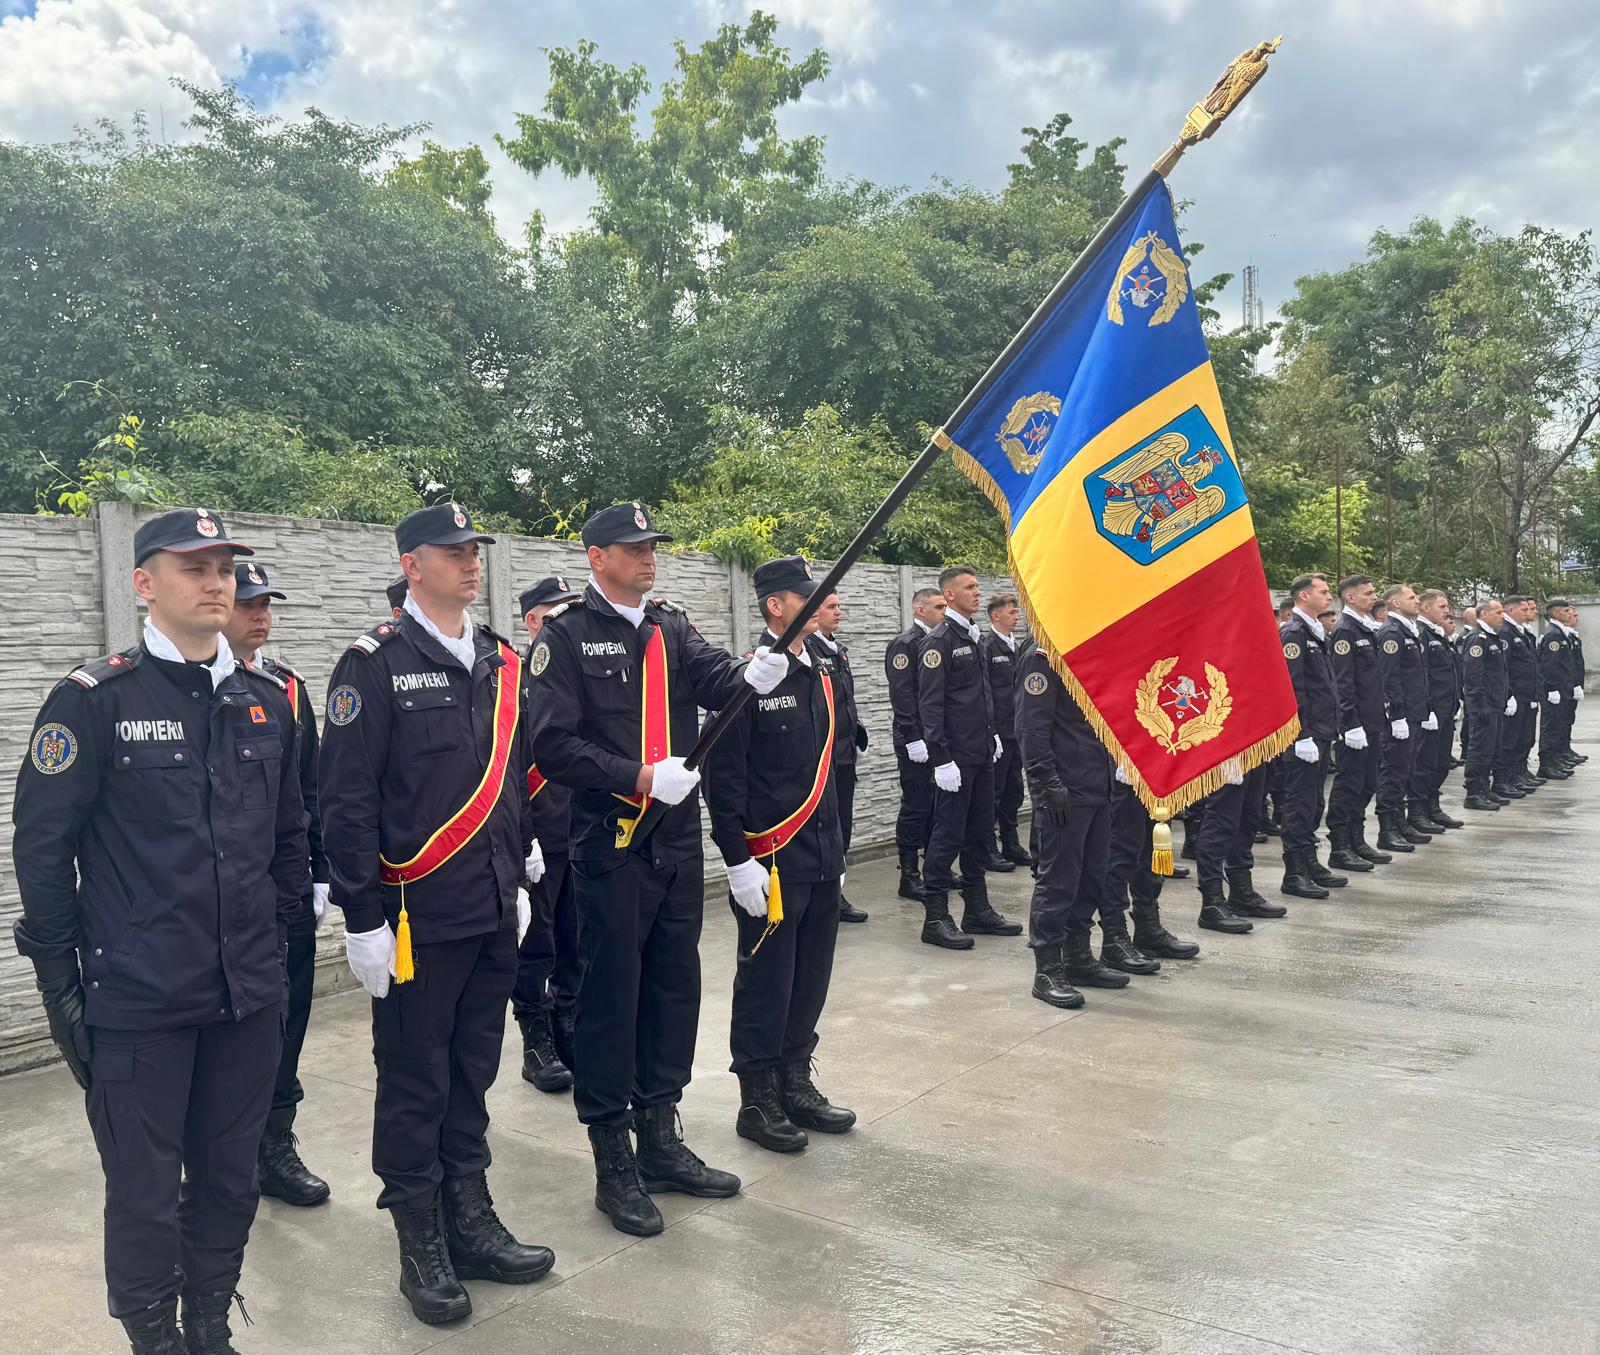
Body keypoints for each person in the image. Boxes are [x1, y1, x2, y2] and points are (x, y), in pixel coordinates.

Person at [12, 508, 307, 1355]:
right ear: (144, 582)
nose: (218, 583)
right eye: (195, 568)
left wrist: (276, 947)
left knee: (229, 1177)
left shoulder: (265, 702)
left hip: (246, 997)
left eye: (225, 567)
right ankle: (155, 1338)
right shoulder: (93, 700)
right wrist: (62, 987)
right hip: (139, 1002)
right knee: (142, 1194)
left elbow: (290, 838)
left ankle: (208, 1323)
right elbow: (43, 851)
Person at [319, 502, 555, 1326]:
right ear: (412, 565)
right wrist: (361, 916)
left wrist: (517, 871)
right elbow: (346, 800)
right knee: (415, 1080)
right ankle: (419, 1239)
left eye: (473, 549)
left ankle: (470, 1217)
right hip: (415, 919)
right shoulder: (373, 664)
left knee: (472, 1071)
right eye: (452, 551)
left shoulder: (499, 659)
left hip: (490, 907)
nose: (470, 561)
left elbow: (512, 775)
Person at [528, 502, 788, 1238]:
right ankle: (613, 1159)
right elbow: (551, 745)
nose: (649, 557)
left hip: (674, 842)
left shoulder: (669, 625)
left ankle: (661, 1137)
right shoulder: (564, 637)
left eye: (652, 546)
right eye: (634, 547)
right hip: (611, 842)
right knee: (613, 999)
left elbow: (715, 678)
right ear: (596, 557)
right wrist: (638, 776)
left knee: (674, 990)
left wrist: (753, 671)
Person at [707, 556, 855, 1153]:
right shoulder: (751, 678)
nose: (818, 604)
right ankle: (757, 1097)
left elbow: (834, 768)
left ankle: (795, 1078)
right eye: (805, 596)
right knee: (767, 981)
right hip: (770, 859)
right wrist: (735, 860)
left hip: (820, 854)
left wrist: (836, 851)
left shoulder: (823, 669)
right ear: (776, 605)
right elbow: (725, 780)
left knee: (811, 976)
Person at [222, 560, 333, 1209]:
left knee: (286, 1021)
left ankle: (274, 1143)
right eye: (249, 603)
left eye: (267, 604)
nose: (261, 615)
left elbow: (310, 790)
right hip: (217, 899)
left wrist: (319, 874)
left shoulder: (288, 688)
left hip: (283, 890)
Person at [1017, 648, 1158, 1005]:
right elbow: (1031, 728)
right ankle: (1047, 968)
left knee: (1091, 878)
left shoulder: (1083, 652)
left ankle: (1078, 957)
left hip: (1099, 786)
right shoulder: (1041, 658)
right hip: (1065, 791)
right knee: (1059, 880)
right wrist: (1047, 783)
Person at [917, 565, 1020, 948]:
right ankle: (935, 917)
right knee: (947, 836)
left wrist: (992, 734)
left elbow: (981, 694)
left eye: (977, 586)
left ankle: (977, 909)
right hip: (955, 760)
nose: (977, 592)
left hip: (981, 753)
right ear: (949, 595)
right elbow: (931, 705)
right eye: (969, 587)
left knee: (979, 834)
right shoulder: (940, 641)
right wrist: (940, 758)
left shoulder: (974, 636)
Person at [512, 576, 584, 1093]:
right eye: (557, 612)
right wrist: (523, 838)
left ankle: (569, 1027)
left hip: (580, 829)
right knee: (535, 944)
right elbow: (506, 768)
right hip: (536, 833)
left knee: (576, 941)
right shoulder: (510, 681)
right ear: (533, 621)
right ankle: (535, 1039)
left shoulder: (575, 673)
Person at [1277, 574, 1346, 898]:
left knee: (1314, 802)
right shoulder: (1294, 633)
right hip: (1305, 736)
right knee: (1299, 804)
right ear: (1304, 596)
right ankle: (1294, 873)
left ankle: (1308, 861)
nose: (1329, 596)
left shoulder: (1314, 631)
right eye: (1323, 591)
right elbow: (1292, 688)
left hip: (1320, 731)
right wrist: (1300, 734)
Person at [810, 591, 871, 923]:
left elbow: (842, 701)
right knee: (825, 829)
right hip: (822, 759)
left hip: (844, 755)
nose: (838, 612)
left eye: (839, 606)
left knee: (842, 827)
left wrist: (856, 731)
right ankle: (826, 897)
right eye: (831, 607)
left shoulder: (837, 650)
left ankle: (835, 892)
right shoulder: (809, 651)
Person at [1325, 575, 1392, 873]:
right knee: (1349, 784)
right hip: (1357, 724)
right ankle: (1340, 846)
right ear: (1350, 597)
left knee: (1367, 783)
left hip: (1373, 721)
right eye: (1367, 593)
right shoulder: (1345, 631)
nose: (1373, 596)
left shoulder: (1366, 628)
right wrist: (1350, 722)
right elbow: (1343, 683)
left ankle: (1356, 838)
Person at [885, 587, 946, 900]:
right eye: (939, 607)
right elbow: (902, 694)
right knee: (916, 806)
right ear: (920, 610)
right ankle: (909, 875)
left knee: (936, 806)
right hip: (916, 740)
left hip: (936, 738)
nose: (944, 613)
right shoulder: (906, 644)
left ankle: (934, 868)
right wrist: (912, 736)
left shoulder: (939, 641)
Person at [1104, 778, 1203, 954]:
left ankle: (1148, 928)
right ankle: (1115, 936)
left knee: (1153, 846)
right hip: (1126, 775)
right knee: (1123, 852)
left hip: (1155, 776)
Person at [1374, 583, 1433, 849]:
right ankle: (1387, 830)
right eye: (1411, 597)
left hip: (1414, 713)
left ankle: (1399, 823)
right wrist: (1396, 715)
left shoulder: (1409, 631)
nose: (1417, 600)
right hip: (1402, 716)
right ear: (1396, 603)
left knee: (1406, 771)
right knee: (1394, 772)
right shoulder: (1392, 632)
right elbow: (1389, 678)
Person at [983, 593, 1032, 869]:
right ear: (996, 615)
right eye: (1011, 612)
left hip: (1017, 730)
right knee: (995, 792)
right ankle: (988, 848)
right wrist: (991, 731)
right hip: (999, 732)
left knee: (1014, 790)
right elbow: (986, 693)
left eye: (1016, 612)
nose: (1016, 616)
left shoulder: (1018, 646)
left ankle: (1011, 844)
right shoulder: (988, 646)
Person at [1411, 589, 1464, 831]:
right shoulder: (1421, 633)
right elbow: (1421, 675)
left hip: (1445, 709)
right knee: (1425, 764)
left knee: (1441, 763)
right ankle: (1417, 812)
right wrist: (1429, 708)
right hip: (1430, 712)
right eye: (1442, 607)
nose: (1447, 611)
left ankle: (1432, 807)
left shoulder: (1437, 634)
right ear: (1426, 608)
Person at [1461, 599, 1511, 811]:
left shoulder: (1492, 637)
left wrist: (1507, 695)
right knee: (1480, 750)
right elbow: (1473, 676)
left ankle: (1484, 788)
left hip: (1495, 703)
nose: (1502, 616)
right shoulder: (1477, 638)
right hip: (1484, 705)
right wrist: (1480, 705)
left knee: (1492, 749)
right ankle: (1474, 793)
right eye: (1498, 612)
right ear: (1484, 614)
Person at [1497, 596, 1541, 796]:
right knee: (1510, 740)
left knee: (1524, 737)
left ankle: (1519, 772)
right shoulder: (1506, 632)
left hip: (1527, 694)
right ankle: (1506, 778)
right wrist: (1509, 695)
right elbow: (1504, 667)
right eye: (1524, 609)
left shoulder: (1520, 632)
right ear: (1511, 610)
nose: (1528, 612)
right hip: (1516, 695)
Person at [1538, 599, 1585, 777]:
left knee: (1558, 726)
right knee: (1551, 728)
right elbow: (1549, 664)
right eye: (1566, 611)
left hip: (1564, 688)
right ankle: (1547, 765)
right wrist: (1551, 688)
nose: (1570, 614)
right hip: (1556, 690)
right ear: (1556, 614)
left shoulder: (1561, 633)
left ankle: (1556, 761)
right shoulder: (1553, 635)